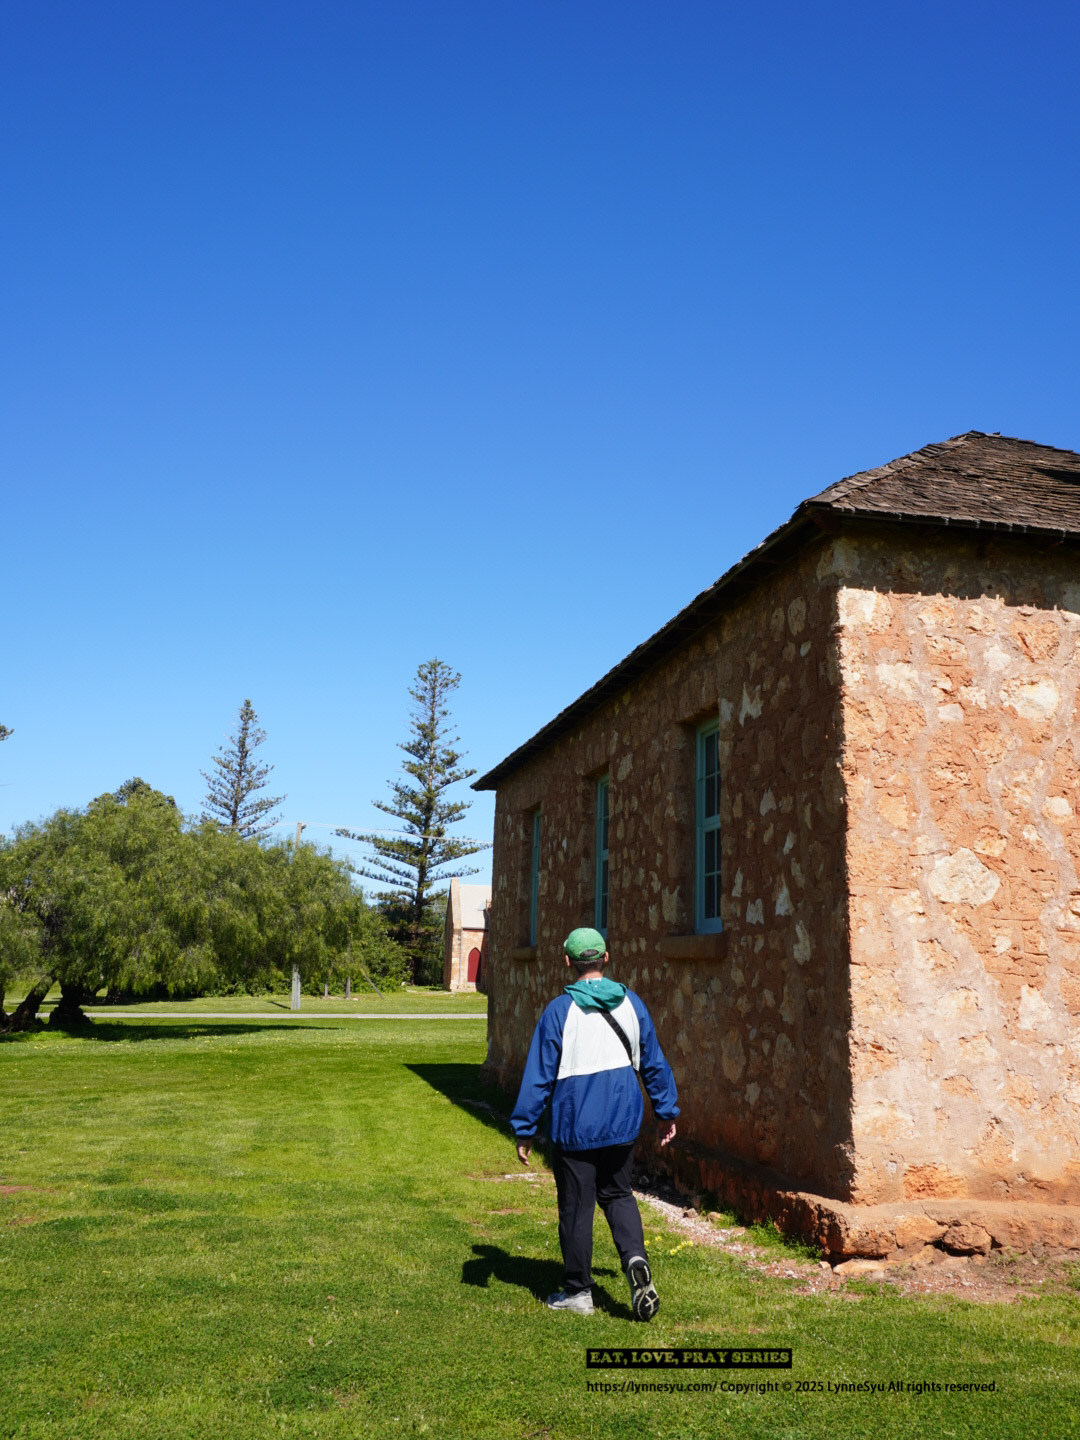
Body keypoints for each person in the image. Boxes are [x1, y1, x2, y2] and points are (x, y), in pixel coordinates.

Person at [510, 926, 679, 1319]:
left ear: (568, 962)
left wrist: (524, 1128)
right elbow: (653, 1062)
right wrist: (666, 1112)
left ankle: (578, 1292)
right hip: (623, 1122)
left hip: (576, 1127)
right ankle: (635, 1259)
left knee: (576, 1206)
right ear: (605, 958)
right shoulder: (632, 1004)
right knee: (619, 1196)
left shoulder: (558, 1012)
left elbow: (538, 1076)